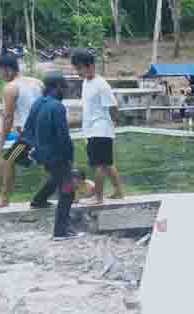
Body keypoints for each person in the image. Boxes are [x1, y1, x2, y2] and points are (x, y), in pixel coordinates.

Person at [26, 71, 81, 241]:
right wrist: (70, 156)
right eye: (63, 87)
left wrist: (33, 151)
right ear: (57, 87)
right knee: (67, 190)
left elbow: (28, 129)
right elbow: (63, 136)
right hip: (56, 153)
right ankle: (60, 232)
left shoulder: (37, 103)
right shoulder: (57, 106)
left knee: (57, 175)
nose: (64, 90)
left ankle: (38, 200)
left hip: (39, 152)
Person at [0, 55, 44, 209]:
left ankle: (4, 198)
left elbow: (8, 117)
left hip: (30, 134)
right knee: (50, 165)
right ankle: (69, 193)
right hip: (44, 131)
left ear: (8, 70)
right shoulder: (37, 82)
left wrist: (2, 140)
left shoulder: (11, 87)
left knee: (7, 161)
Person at [71, 49, 124, 205]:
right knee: (107, 164)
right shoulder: (87, 82)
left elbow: (113, 106)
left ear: (91, 66)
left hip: (100, 130)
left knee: (98, 165)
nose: (78, 72)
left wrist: (113, 123)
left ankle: (98, 197)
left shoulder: (101, 84)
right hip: (93, 130)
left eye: (80, 68)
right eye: (76, 68)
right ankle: (118, 191)